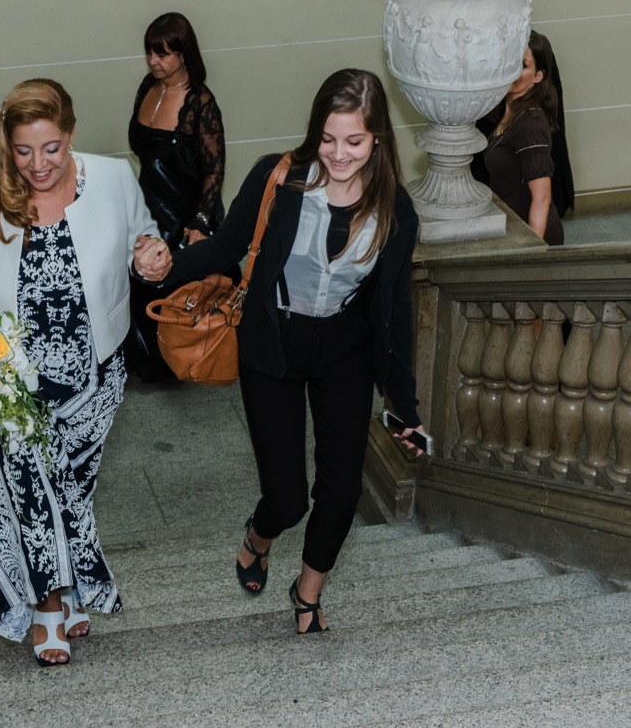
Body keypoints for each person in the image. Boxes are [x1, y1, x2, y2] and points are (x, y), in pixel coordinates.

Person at [135, 69, 423, 634]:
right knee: (288, 499)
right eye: (328, 138)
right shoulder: (280, 177)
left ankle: (308, 591)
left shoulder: (396, 210)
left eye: (355, 141)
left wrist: (403, 404)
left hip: (345, 351)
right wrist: (169, 266)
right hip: (273, 345)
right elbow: (228, 244)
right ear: (315, 130)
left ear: (379, 140)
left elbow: (395, 312)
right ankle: (258, 537)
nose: (339, 153)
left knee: (341, 491)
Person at [0, 78, 159, 666]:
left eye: (50, 148)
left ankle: (68, 587)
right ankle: (47, 607)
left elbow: (146, 239)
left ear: (70, 135)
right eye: (23, 150)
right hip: (12, 381)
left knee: (71, 492)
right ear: (6, 144)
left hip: (95, 372)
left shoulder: (114, 179)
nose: (37, 164)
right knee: (31, 494)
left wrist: (152, 256)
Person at [124, 11, 227, 382]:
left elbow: (215, 170)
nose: (153, 61)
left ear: (184, 55)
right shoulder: (146, 86)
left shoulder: (201, 103)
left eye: (162, 54)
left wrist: (199, 224)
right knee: (134, 273)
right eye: (150, 53)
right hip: (147, 201)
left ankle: (173, 362)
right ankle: (143, 359)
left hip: (185, 210)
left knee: (166, 281)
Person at [470, 30, 565, 245]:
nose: (512, 71)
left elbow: (542, 199)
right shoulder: (508, 115)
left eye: (522, 65)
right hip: (512, 230)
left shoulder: (529, 125)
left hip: (533, 236)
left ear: (538, 76)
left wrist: (531, 252)